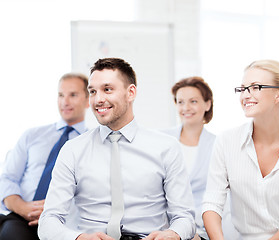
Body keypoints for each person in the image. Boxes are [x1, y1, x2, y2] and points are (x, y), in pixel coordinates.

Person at [38, 58, 196, 240]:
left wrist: (172, 234)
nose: (98, 99)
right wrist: (79, 238)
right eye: (92, 91)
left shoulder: (166, 147)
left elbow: (184, 217)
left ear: (131, 93)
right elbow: (48, 222)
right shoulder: (72, 150)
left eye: (107, 89)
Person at [202, 60, 279, 240]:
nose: (245, 95)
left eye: (255, 87)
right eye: (242, 89)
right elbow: (212, 203)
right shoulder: (226, 142)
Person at [0, 73, 90, 240]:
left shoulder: (93, 143)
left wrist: (54, 214)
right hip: (21, 218)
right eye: (61, 95)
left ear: (88, 100)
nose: (65, 102)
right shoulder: (32, 136)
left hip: (67, 223)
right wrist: (24, 208)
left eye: (73, 95)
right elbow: (7, 179)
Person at [164, 77, 238, 240]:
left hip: (202, 229)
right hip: (164, 227)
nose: (186, 108)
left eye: (193, 101)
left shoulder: (219, 145)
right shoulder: (162, 140)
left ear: (207, 104)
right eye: (180, 102)